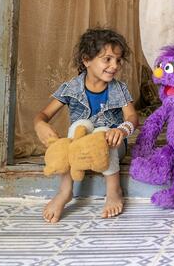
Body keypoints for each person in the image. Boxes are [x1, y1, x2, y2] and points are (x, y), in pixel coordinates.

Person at [33, 28, 139, 223]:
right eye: (107, 59)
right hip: (80, 147)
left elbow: (132, 117)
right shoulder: (71, 88)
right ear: (86, 60)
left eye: (118, 60)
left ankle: (113, 190)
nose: (114, 65)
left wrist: (122, 130)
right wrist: (39, 124)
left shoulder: (119, 88)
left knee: (101, 132)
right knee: (79, 126)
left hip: (112, 145)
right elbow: (44, 114)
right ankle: (65, 192)